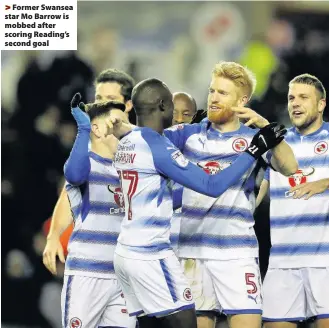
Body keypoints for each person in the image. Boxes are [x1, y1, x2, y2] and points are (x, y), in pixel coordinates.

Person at [105, 77, 286, 328]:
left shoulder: (131, 141)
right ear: (162, 106)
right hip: (150, 252)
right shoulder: (159, 147)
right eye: (172, 106)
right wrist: (253, 152)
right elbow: (211, 186)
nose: (179, 117)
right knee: (185, 321)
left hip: (125, 250)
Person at [163, 61, 298, 328]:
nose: (213, 98)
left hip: (237, 253)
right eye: (212, 91)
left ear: (242, 100)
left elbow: (291, 167)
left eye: (222, 93)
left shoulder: (253, 138)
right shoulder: (188, 134)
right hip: (193, 252)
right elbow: (148, 140)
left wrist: (266, 129)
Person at [260, 74, 329, 328]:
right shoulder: (278, 145)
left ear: (321, 104)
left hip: (328, 262)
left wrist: (325, 183)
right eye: (291, 98)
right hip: (283, 263)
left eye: (303, 98)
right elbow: (259, 195)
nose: (295, 104)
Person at [43, 68, 136, 275]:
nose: (102, 105)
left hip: (129, 268)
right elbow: (70, 190)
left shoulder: (145, 150)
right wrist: (53, 236)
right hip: (90, 267)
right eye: (98, 98)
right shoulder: (86, 151)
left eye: (111, 99)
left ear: (128, 104)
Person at [61, 98, 136, 328]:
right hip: (87, 275)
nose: (123, 130)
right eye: (117, 123)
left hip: (122, 278)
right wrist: (82, 130)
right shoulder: (86, 165)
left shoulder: (130, 172)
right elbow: (73, 175)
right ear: (97, 128)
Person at [170, 92, 198, 251]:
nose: (179, 119)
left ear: (194, 118)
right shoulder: (151, 149)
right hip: (160, 243)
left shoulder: (204, 153)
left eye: (186, 114)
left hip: (193, 244)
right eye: (174, 113)